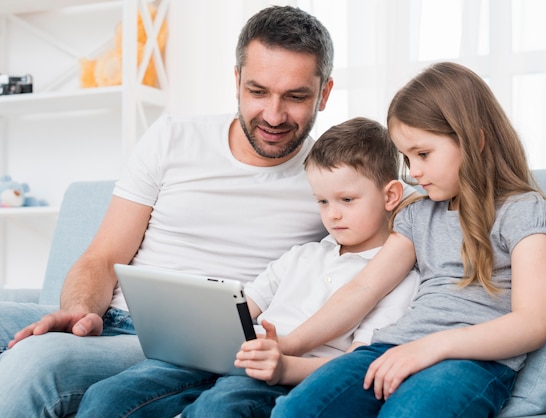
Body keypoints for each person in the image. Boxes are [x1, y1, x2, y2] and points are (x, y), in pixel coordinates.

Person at [0, 6, 335, 417]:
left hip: (186, 354)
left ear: (324, 93)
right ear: (236, 82)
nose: (273, 114)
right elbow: (104, 256)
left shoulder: (334, 178)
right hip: (110, 319)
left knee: (34, 364)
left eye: (296, 96)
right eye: (258, 91)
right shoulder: (173, 137)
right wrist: (81, 310)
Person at [271, 62, 546, 418]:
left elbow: (531, 324)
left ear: (474, 140)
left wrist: (432, 348)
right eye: (406, 158)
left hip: (469, 362)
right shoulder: (417, 215)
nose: (413, 172)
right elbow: (362, 290)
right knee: (297, 411)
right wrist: (287, 345)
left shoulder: (523, 210)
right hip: (390, 348)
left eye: (423, 154)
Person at [76, 117, 419, 417]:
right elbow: (241, 308)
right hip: (239, 357)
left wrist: (285, 367)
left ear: (390, 196)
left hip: (293, 375)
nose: (333, 214)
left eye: (346, 200)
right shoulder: (303, 256)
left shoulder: (399, 279)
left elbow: (356, 366)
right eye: (322, 201)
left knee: (220, 407)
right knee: (107, 396)